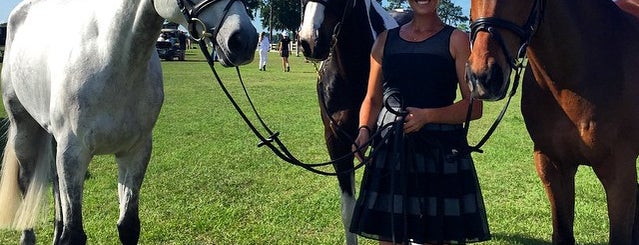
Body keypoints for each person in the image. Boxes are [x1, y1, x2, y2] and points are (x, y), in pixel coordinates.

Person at [349, 0, 490, 244]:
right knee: (389, 234)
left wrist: (428, 116)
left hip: (439, 152)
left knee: (438, 236)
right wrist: (363, 130)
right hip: (391, 149)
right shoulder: (384, 41)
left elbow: (474, 106)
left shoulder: (455, 39)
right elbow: (372, 99)